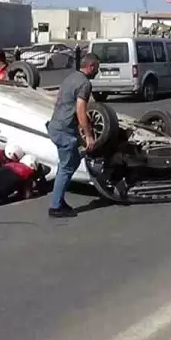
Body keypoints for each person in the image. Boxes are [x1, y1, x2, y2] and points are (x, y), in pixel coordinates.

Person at [46, 54, 99, 218]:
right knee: (66, 167)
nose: (98, 71)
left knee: (73, 160)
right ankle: (55, 207)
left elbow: (68, 103)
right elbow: (80, 109)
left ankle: (59, 200)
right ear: (90, 67)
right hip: (64, 131)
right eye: (97, 68)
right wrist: (89, 135)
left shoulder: (71, 78)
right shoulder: (85, 83)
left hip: (56, 125)